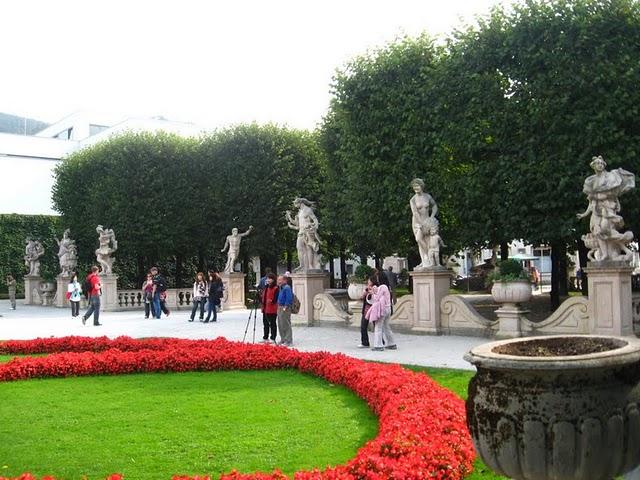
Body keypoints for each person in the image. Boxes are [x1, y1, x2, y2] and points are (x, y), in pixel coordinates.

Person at [409, 178, 439, 269]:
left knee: (429, 240)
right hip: (417, 222)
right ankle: (426, 258)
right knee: (419, 239)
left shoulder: (428, 196)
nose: (415, 188)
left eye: (417, 186)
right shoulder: (413, 199)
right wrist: (421, 224)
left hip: (428, 221)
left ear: (421, 186)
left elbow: (434, 206)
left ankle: (428, 260)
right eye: (414, 187)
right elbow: (415, 212)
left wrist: (432, 216)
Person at [365, 275, 397, 351]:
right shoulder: (386, 287)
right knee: (386, 327)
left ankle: (378, 345)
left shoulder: (382, 287)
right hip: (388, 309)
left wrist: (372, 292)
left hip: (383, 310)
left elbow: (376, 298)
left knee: (378, 327)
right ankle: (391, 343)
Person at [261, 272, 279, 343]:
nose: (268, 280)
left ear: (273, 280)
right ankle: (265, 337)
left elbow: (276, 298)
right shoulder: (266, 287)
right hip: (265, 308)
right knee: (265, 324)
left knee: (272, 324)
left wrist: (272, 301)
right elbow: (263, 297)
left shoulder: (276, 288)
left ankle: (273, 337)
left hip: (272, 309)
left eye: (270, 279)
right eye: (267, 278)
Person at [276, 275, 293, 346]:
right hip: (279, 307)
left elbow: (289, 298)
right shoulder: (281, 288)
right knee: (280, 323)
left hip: (285, 307)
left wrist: (285, 307)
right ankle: (283, 338)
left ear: (285, 280)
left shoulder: (287, 287)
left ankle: (288, 340)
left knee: (286, 323)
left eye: (280, 280)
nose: (278, 281)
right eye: (278, 280)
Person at [358, 283, 372, 348]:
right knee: (363, 326)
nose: (368, 286)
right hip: (366, 311)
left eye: (370, 284)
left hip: (373, 310)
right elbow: (361, 298)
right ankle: (365, 342)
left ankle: (381, 341)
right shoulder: (366, 291)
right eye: (368, 284)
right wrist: (365, 293)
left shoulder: (375, 290)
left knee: (377, 327)